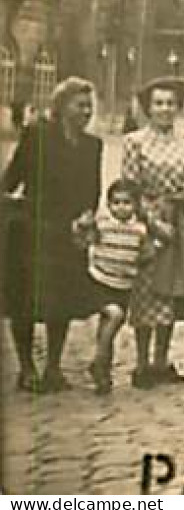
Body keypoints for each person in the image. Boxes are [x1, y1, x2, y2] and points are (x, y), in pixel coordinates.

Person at [3, 78, 102, 393]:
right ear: (61, 106)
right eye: (80, 105)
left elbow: (92, 190)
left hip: (69, 234)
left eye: (90, 106)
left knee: (63, 302)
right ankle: (27, 367)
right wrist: (17, 208)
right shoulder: (36, 136)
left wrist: (87, 215)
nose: (86, 112)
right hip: (32, 231)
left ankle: (54, 368)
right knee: (25, 301)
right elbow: (10, 181)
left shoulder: (92, 146)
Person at [121, 76, 184, 389]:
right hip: (149, 224)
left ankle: (162, 360)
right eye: (158, 103)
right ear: (148, 107)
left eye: (171, 104)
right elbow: (129, 189)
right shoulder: (135, 142)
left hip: (181, 221)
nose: (164, 109)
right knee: (147, 291)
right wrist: (152, 223)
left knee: (173, 291)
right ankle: (142, 362)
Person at [75, 178, 151, 396]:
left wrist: (147, 253)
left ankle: (103, 376)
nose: (121, 208)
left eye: (127, 203)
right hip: (100, 281)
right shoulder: (102, 225)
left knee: (106, 330)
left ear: (136, 205)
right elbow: (82, 241)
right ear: (109, 204)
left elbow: (146, 255)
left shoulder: (140, 230)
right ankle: (98, 359)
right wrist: (82, 226)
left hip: (124, 286)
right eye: (116, 202)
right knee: (115, 316)